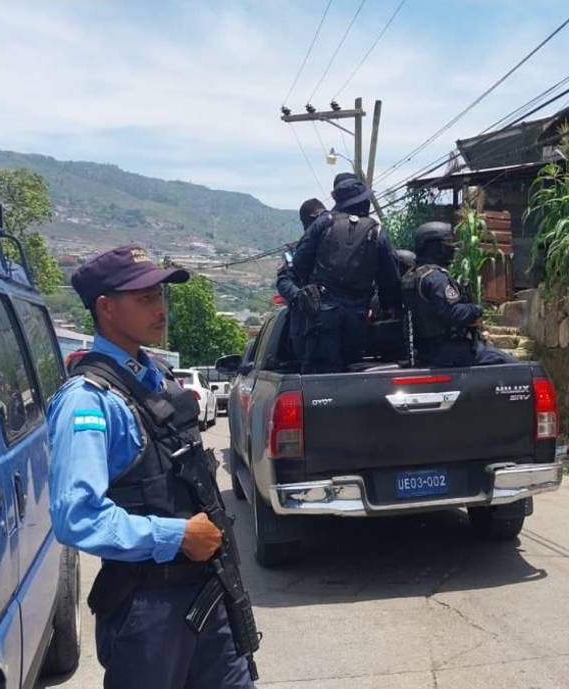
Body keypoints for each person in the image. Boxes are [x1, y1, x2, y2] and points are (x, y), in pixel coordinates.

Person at [48, 245, 256, 689]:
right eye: (144, 298)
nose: (160, 308)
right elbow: (76, 516)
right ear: (106, 307)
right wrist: (177, 536)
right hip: (148, 606)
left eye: (160, 295)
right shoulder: (88, 400)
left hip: (208, 589)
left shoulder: (157, 376)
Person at [292, 173, 401, 373]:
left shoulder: (323, 223)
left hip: (321, 314)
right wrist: (386, 306)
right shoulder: (377, 231)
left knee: (318, 376)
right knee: (351, 373)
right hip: (357, 319)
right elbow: (390, 279)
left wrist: (311, 286)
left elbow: (299, 263)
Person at [402, 221, 516, 367]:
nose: (452, 247)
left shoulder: (410, 277)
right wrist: (476, 310)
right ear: (434, 246)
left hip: (423, 350)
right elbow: (453, 313)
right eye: (448, 242)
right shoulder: (435, 278)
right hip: (447, 350)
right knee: (511, 364)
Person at [276, 197, 328, 360]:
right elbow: (283, 281)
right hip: (305, 323)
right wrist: (300, 296)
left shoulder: (340, 247)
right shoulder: (294, 251)